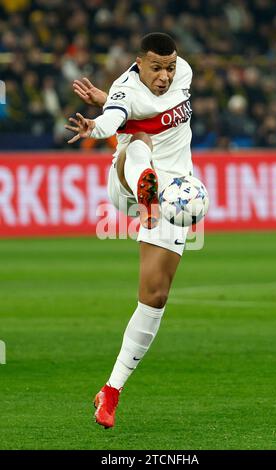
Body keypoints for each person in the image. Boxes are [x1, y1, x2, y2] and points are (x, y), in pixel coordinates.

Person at [65, 32, 195, 429]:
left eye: (169, 67)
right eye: (156, 67)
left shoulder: (185, 73)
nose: (164, 75)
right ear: (139, 63)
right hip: (128, 182)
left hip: (173, 186)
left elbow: (154, 109)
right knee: (137, 140)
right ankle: (147, 191)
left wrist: (103, 100)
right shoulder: (125, 87)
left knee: (155, 296)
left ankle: (111, 390)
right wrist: (95, 125)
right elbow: (117, 118)